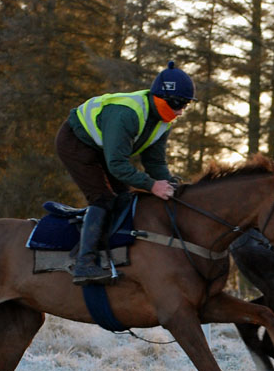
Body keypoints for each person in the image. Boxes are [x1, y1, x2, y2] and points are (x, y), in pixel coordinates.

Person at [55, 61, 195, 285]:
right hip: (76, 143)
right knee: (103, 198)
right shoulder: (127, 114)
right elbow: (117, 165)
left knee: (124, 199)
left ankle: (109, 252)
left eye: (185, 105)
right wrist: (152, 185)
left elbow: (155, 162)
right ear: (160, 97)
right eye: (177, 104)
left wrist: (170, 184)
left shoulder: (163, 122)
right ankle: (83, 263)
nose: (180, 112)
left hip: (103, 148)